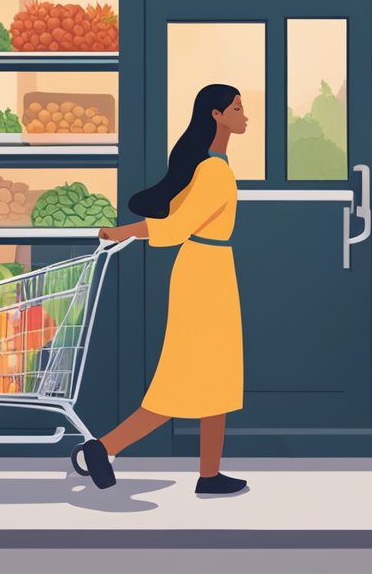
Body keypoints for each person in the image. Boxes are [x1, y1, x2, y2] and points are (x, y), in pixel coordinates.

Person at [82, 83, 249, 496]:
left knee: (219, 378)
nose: (245, 116)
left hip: (213, 270)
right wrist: (120, 231)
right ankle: (103, 448)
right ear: (216, 115)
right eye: (237, 108)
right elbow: (175, 228)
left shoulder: (211, 166)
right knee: (181, 379)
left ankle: (209, 474)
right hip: (202, 275)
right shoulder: (212, 171)